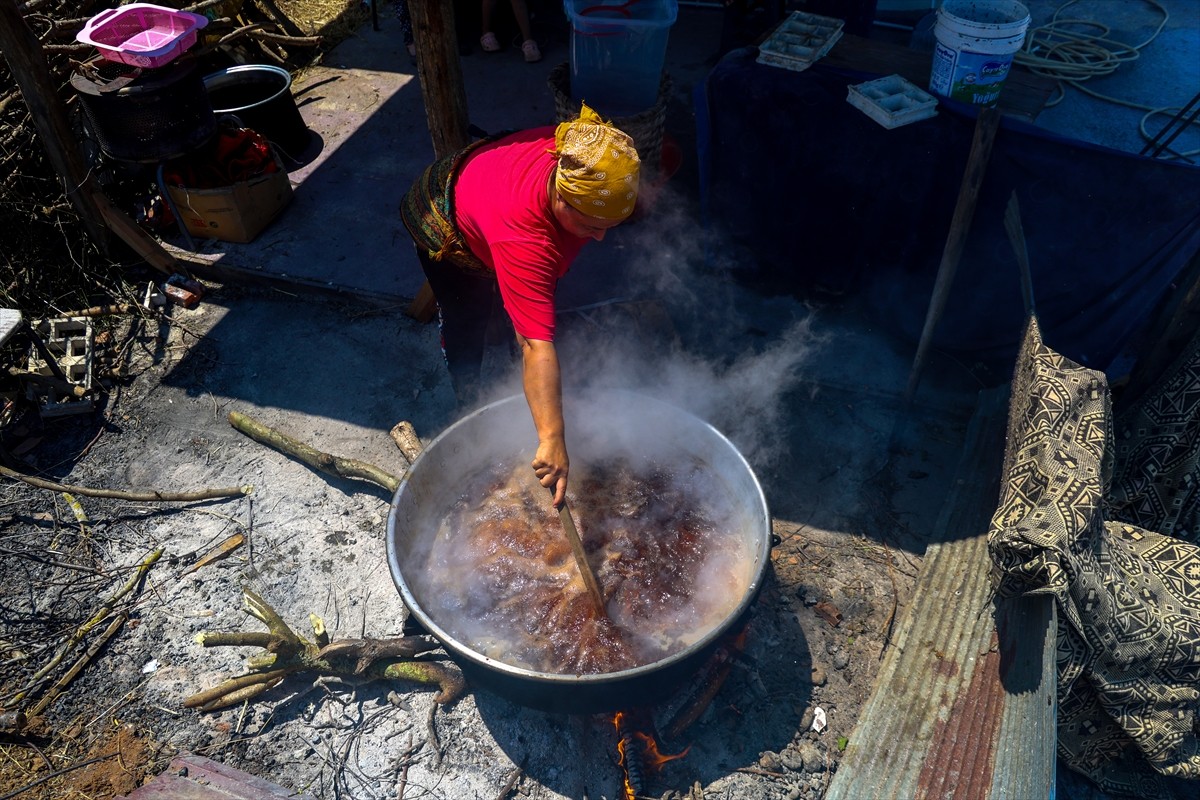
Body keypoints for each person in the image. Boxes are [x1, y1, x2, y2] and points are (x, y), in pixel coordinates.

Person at [400, 104, 640, 506]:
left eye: (608, 227)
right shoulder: (524, 240)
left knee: (520, 310)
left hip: (487, 190)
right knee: (467, 317)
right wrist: (552, 440)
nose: (599, 239)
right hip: (442, 217)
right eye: (590, 226)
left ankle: (512, 344)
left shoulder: (589, 150)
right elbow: (535, 345)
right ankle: (468, 402)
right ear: (561, 198)